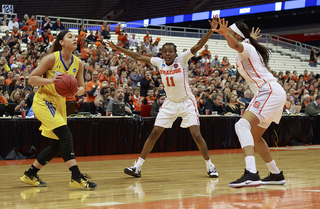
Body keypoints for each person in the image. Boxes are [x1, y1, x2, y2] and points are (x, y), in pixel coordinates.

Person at [107, 16, 220, 178]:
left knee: (196, 135)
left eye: (170, 51)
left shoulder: (182, 59)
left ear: (175, 53)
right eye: (165, 51)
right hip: (170, 103)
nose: (167, 54)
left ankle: (210, 166)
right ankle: (137, 167)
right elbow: (138, 57)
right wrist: (119, 48)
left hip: (187, 102)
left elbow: (198, 45)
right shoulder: (159, 62)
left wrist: (211, 31)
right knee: (154, 134)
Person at [20, 30, 97, 190]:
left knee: (57, 146)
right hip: (44, 100)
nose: (74, 39)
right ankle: (76, 176)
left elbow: (81, 87)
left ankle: (30, 174)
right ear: (61, 42)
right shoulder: (51, 58)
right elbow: (32, 79)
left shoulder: (78, 63)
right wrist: (51, 80)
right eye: (70, 36)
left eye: (75, 37)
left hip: (60, 104)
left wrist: (77, 90)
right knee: (66, 135)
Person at [213, 18, 286, 188]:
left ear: (236, 36)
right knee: (255, 136)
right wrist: (247, 36)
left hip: (268, 91)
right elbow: (242, 43)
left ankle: (251, 173)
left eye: (230, 32)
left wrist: (227, 35)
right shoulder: (248, 45)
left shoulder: (244, 47)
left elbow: (236, 45)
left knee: (241, 126)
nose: (227, 34)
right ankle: (276, 174)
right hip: (272, 92)